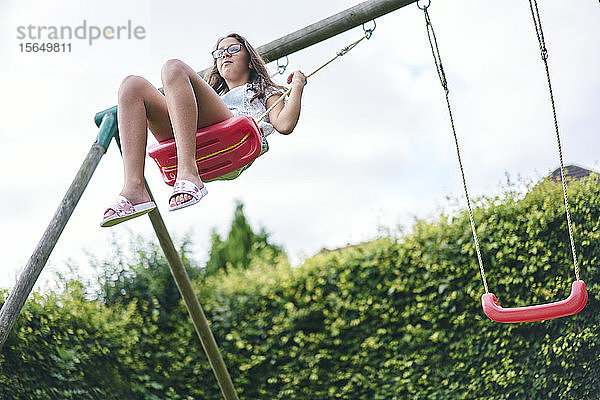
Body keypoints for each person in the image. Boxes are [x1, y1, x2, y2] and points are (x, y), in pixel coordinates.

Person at [101, 33, 307, 227]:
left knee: (173, 68)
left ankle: (188, 173)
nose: (225, 53)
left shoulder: (261, 90)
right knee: (131, 85)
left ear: (250, 61)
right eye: (220, 52)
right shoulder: (210, 96)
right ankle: (134, 189)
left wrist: (297, 85)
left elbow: (284, 124)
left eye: (234, 49)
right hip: (193, 135)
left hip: (234, 136)